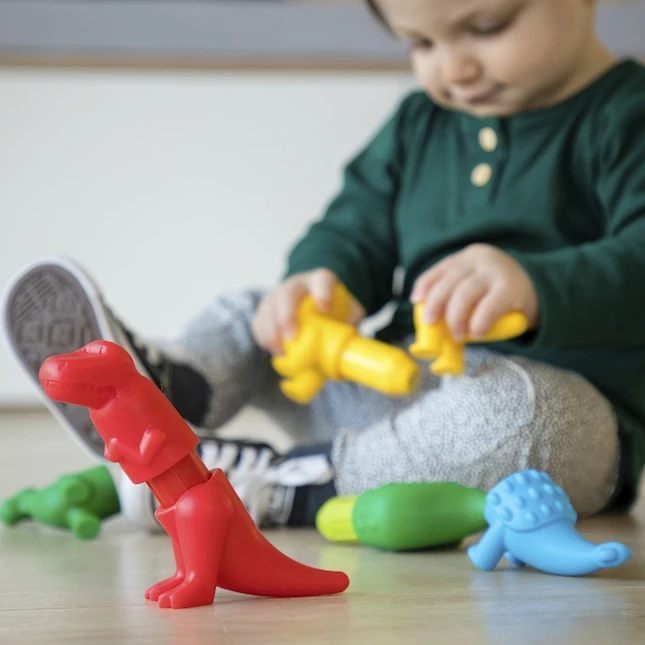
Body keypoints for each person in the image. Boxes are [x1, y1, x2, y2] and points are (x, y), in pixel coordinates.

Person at [3, 0, 645, 536]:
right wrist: (321, 282)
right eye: (420, 43)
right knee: (255, 313)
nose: (453, 68)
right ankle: (169, 390)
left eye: (486, 27)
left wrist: (538, 287)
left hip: (551, 422)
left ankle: (290, 483)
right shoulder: (419, 124)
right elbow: (355, 226)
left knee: (526, 413)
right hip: (388, 390)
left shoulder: (628, 116)